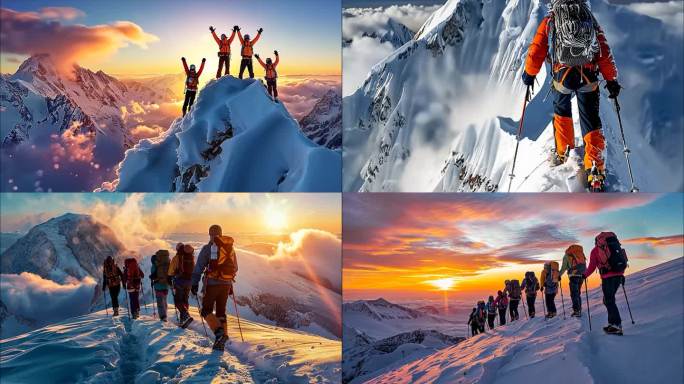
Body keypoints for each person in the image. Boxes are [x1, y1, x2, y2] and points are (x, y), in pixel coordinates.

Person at [522, 0, 620, 191]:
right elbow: (603, 51)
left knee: (562, 111)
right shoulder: (589, 19)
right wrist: (611, 80)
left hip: (562, 76)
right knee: (590, 120)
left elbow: (537, 50)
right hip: (588, 76)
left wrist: (529, 75)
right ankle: (595, 170)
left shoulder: (551, 19)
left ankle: (563, 151)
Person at [191, 225, 238, 351]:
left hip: (212, 284)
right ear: (221, 233)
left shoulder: (207, 249)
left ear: (209, 234)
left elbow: (199, 268)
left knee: (206, 310)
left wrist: (194, 283)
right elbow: (235, 268)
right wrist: (227, 280)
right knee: (221, 312)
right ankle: (222, 339)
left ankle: (219, 334)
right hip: (226, 284)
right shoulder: (230, 248)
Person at [584, 232, 628, 335]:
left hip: (607, 277)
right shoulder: (616, 246)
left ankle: (616, 325)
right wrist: (621, 274)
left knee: (609, 300)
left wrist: (584, 275)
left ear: (597, 242)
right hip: (619, 275)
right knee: (608, 300)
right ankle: (612, 323)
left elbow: (592, 266)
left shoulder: (595, 251)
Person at [169, 243, 195, 327]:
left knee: (178, 301)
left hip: (180, 282)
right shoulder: (191, 257)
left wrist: (171, 277)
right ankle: (183, 320)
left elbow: (170, 271)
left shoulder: (176, 258)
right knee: (185, 300)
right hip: (189, 282)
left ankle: (185, 315)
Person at [560, 244, 587, 317]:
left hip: (573, 276)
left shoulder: (566, 256)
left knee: (574, 294)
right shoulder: (581, 254)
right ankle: (579, 308)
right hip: (581, 275)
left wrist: (559, 275)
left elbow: (563, 268)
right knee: (577, 293)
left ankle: (576, 311)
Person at [151, 250, 171, 322]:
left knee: (160, 302)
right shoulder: (167, 262)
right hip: (166, 285)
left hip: (158, 285)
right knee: (164, 300)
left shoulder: (155, 265)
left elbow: (153, 275)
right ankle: (165, 314)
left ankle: (163, 317)